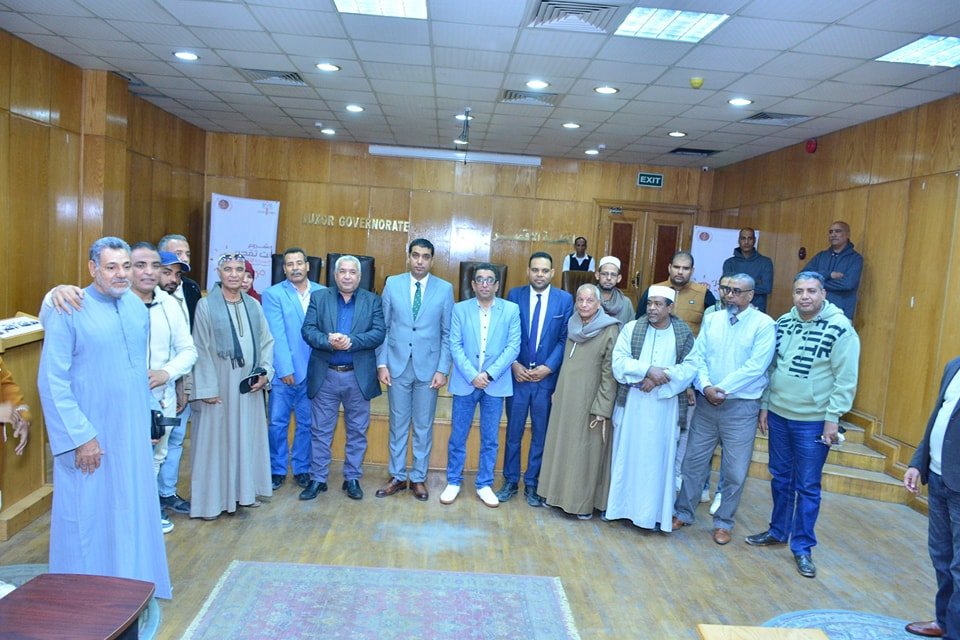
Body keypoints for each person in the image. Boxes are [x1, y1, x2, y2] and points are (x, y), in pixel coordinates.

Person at [38, 236, 171, 598]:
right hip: (90, 437)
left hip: (131, 433)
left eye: (126, 266)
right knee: (88, 515)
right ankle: (86, 597)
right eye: (111, 267)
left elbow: (137, 370)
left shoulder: (135, 308)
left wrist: (149, 415)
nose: (121, 274)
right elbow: (51, 382)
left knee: (129, 509)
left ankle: (130, 588)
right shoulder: (68, 307)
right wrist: (81, 437)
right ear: (92, 268)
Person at [747, 271, 860, 579]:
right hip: (779, 415)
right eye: (799, 291)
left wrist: (833, 418)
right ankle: (778, 531)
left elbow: (846, 379)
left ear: (823, 293)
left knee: (807, 485)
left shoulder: (841, 329)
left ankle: (802, 547)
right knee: (780, 477)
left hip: (814, 421)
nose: (805, 296)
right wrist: (765, 405)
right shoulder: (783, 323)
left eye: (811, 290)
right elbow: (772, 367)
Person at [672, 273, 775, 546]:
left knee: (735, 471)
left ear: (750, 295)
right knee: (693, 462)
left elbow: (756, 367)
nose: (730, 295)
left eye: (736, 291)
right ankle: (683, 513)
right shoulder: (713, 319)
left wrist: (722, 389)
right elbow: (698, 357)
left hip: (741, 408)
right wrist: (706, 386)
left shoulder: (764, 324)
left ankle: (723, 522)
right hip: (707, 404)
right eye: (726, 289)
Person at [189, 252, 275, 520]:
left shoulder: (254, 305)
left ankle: (244, 494)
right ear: (219, 273)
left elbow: (266, 342)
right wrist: (207, 388)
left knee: (246, 439)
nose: (234, 274)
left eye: (240, 269)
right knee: (216, 444)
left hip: (248, 388)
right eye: (228, 269)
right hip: (219, 387)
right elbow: (200, 348)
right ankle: (211, 503)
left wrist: (265, 372)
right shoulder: (206, 306)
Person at [606, 286, 694, 530]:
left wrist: (658, 378)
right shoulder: (632, 328)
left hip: (664, 407)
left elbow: (690, 367)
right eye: (650, 303)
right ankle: (621, 510)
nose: (652, 308)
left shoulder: (683, 333)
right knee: (628, 456)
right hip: (634, 402)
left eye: (658, 304)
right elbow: (618, 361)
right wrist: (647, 370)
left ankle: (652, 515)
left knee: (657, 462)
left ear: (670, 307)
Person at [300, 255, 385, 501]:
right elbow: (308, 330)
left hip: (357, 377)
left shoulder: (372, 301)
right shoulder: (319, 298)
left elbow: (378, 333)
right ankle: (318, 479)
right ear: (335, 275)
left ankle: (352, 478)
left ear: (360, 276)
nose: (347, 276)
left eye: (352, 272)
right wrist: (328, 341)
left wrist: (351, 342)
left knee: (357, 431)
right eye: (343, 272)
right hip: (326, 375)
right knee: (320, 431)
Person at [375, 239, 453, 502]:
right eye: (416, 255)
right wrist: (382, 363)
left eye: (425, 256)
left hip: (429, 369)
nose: (420, 261)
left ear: (432, 260)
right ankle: (397, 476)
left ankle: (418, 477)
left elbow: (447, 333)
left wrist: (442, 369)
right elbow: (384, 327)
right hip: (397, 366)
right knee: (397, 424)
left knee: (423, 426)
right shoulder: (392, 284)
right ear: (408, 257)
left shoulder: (445, 289)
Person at [129, 244, 197, 534]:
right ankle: (129, 513)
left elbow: (188, 351)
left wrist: (167, 373)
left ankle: (148, 509)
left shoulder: (169, 305)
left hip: (161, 396)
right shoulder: (115, 300)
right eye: (141, 265)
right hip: (123, 399)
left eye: (155, 266)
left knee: (157, 454)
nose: (149, 272)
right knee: (126, 458)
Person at [496, 252, 573, 506]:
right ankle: (510, 480)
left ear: (552, 273)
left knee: (541, 433)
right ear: (528, 271)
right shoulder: (514, 296)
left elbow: (564, 338)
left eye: (545, 270)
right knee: (514, 432)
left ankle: (532, 483)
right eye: (535, 270)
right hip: (518, 377)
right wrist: (514, 364)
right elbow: (506, 334)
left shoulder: (564, 300)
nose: (540, 275)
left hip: (545, 380)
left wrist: (548, 367)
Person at [441, 264, 521, 508]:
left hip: (495, 384)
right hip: (466, 382)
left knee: (490, 438)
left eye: (489, 280)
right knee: (458, 436)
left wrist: (488, 374)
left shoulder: (511, 309)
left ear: (497, 285)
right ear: (473, 285)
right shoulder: (460, 309)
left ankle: (484, 484)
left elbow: (513, 347)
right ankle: (453, 481)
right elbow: (455, 345)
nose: (485, 284)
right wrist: (473, 375)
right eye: (480, 280)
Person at [537, 284, 619, 519]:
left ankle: (580, 504)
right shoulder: (573, 324)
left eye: (589, 301)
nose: (584, 305)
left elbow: (610, 374)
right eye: (580, 300)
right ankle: (554, 495)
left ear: (599, 304)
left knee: (584, 453)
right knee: (561, 446)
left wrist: (602, 407)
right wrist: (557, 390)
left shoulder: (609, 329)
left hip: (590, 402)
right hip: (565, 397)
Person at [904, 357, 960, 639]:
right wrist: (918, 462)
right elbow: (938, 416)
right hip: (938, 478)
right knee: (942, 556)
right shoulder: (955, 365)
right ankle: (945, 621)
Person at [261, 247, 324, 491]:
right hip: (284, 373)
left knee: (307, 424)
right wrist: (285, 368)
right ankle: (277, 469)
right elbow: (276, 335)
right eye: (290, 264)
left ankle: (301, 468)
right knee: (277, 423)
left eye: (299, 263)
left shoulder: (323, 292)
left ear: (308, 266)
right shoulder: (273, 294)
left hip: (314, 372)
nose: (295, 268)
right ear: (284, 268)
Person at [156, 234, 202, 515]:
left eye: (186, 254)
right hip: (153, 383)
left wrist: (184, 383)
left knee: (174, 438)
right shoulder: (141, 297)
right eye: (175, 256)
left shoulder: (192, 288)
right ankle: (148, 502)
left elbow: (191, 342)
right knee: (152, 443)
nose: (183, 259)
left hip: (182, 376)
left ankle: (167, 493)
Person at [634, 251, 716, 336]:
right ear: (669, 268)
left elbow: (714, 325)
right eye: (676, 267)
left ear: (692, 271)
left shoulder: (703, 293)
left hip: (691, 343)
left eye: (685, 268)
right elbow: (639, 320)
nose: (680, 272)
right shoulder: (654, 290)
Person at [803, 221, 863, 320]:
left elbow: (848, 284)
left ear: (847, 234)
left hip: (841, 314)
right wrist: (829, 274)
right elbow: (803, 276)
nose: (833, 234)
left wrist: (816, 283)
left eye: (838, 231)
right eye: (831, 232)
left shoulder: (855, 258)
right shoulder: (821, 256)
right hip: (816, 311)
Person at [722, 228, 774, 312]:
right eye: (743, 238)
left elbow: (766, 288)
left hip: (757, 310)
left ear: (754, 240)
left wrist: (738, 288)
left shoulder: (765, 262)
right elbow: (727, 286)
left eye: (750, 238)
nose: (746, 242)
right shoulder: (729, 263)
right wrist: (755, 283)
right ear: (739, 241)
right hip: (733, 308)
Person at [595, 256, 634, 324]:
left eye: (613, 275)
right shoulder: (585, 299)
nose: (609, 278)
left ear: (619, 278)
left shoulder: (626, 303)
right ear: (597, 275)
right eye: (604, 274)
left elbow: (631, 328)